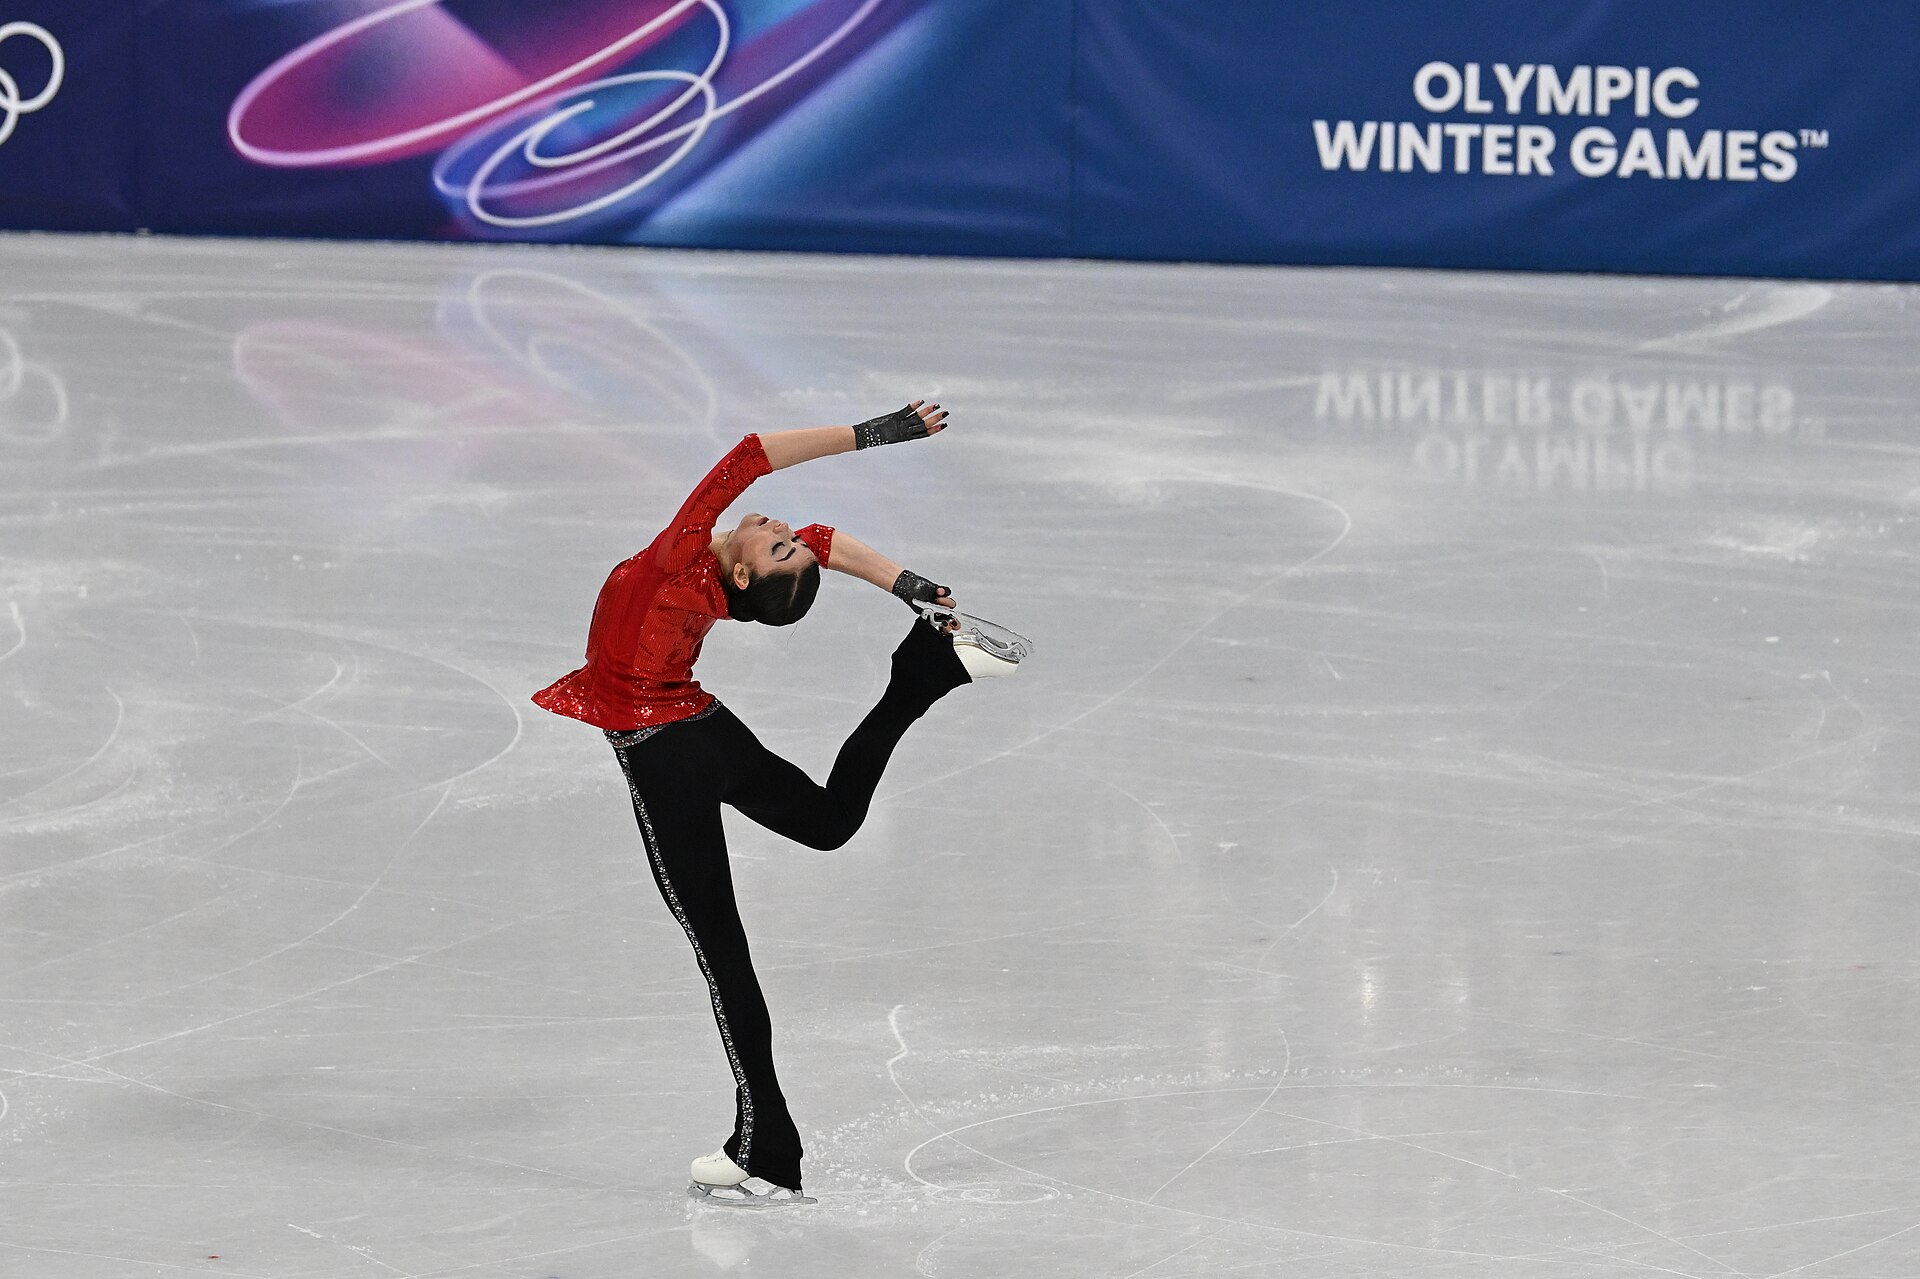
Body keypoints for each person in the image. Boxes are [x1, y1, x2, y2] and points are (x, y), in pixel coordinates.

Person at [532, 400, 975, 1207]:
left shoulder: (678, 559)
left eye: (774, 543)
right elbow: (825, 542)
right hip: (703, 729)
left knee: (721, 955)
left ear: (741, 575)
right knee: (828, 821)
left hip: (666, 758)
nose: (776, 527)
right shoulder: (721, 571)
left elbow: (750, 455)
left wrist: (875, 434)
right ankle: (919, 681)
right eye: (783, 539)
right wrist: (905, 583)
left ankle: (767, 1150)